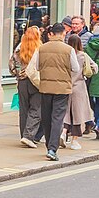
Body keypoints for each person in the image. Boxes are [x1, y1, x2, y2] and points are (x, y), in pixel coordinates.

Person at [26, 23, 78, 161]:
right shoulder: (69, 50)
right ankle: (52, 148)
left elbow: (36, 67)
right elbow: (76, 68)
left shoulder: (41, 48)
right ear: (63, 34)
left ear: (51, 34)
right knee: (57, 118)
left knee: (47, 117)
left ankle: (49, 145)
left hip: (45, 87)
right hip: (62, 88)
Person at [10, 26, 43, 147]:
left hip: (22, 82)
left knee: (24, 109)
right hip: (35, 81)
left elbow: (11, 66)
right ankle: (29, 135)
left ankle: (23, 135)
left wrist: (18, 74)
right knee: (36, 109)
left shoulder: (19, 49)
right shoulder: (40, 49)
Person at [63, 34, 93, 150]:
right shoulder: (83, 56)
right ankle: (74, 141)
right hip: (79, 87)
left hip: (65, 86)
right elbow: (95, 67)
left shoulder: (65, 54)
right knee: (77, 115)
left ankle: (63, 133)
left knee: (65, 113)